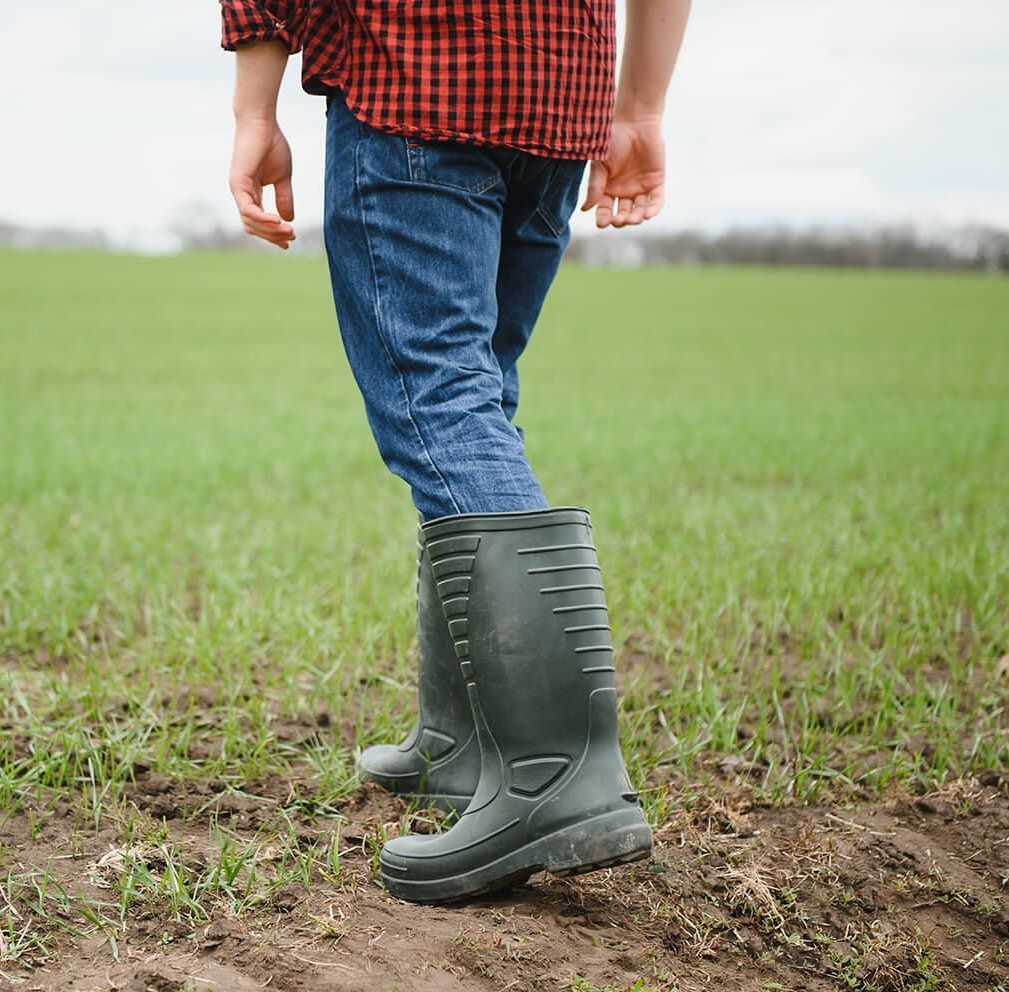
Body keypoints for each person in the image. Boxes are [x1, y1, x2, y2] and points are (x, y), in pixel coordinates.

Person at [220, 1, 690, 904]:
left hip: (413, 76)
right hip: (556, 94)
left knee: (441, 401)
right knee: (477, 396)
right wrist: (639, 107)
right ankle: (463, 741)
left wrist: (253, 111)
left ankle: (555, 776)